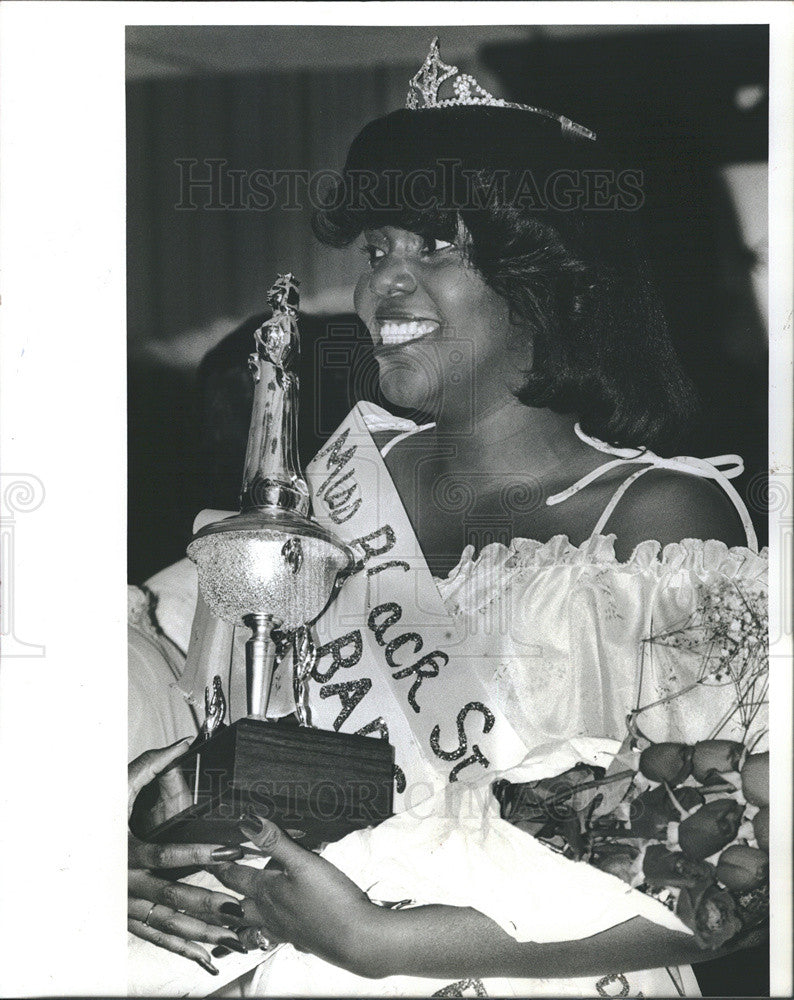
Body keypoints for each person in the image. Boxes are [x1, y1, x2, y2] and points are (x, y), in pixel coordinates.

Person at [128, 40, 768, 997]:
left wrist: (391, 945)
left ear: (549, 279)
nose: (386, 281)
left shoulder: (657, 518)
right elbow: (160, 677)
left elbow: (737, 870)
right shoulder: (323, 494)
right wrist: (136, 843)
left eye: (437, 247)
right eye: (376, 249)